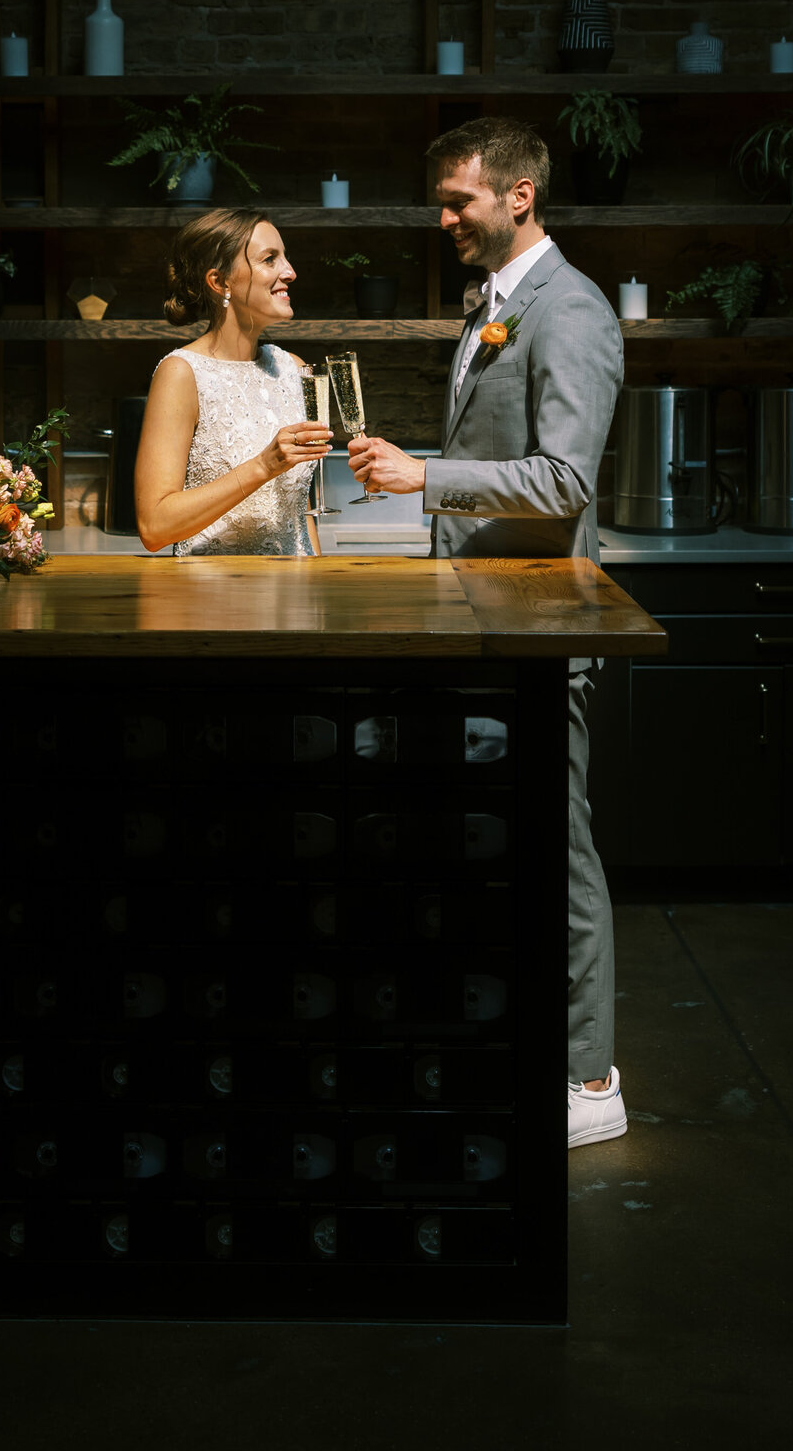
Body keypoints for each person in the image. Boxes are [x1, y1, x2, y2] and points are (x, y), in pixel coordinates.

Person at [344, 116, 628, 1151]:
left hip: (543, 628)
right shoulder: (499, 305)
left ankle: (589, 1075)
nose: (443, 216)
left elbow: (562, 482)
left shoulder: (573, 312)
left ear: (518, 196)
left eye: (458, 199)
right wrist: (420, 467)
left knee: (559, 853)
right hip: (487, 626)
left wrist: (428, 475)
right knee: (497, 847)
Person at [134, 207, 333, 557]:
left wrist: (316, 586)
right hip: (215, 599)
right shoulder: (182, 373)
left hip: (295, 601)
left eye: (285, 258)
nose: (290, 272)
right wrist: (263, 466)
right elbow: (154, 527)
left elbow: (297, 513)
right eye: (270, 259)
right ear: (220, 282)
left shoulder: (294, 369)